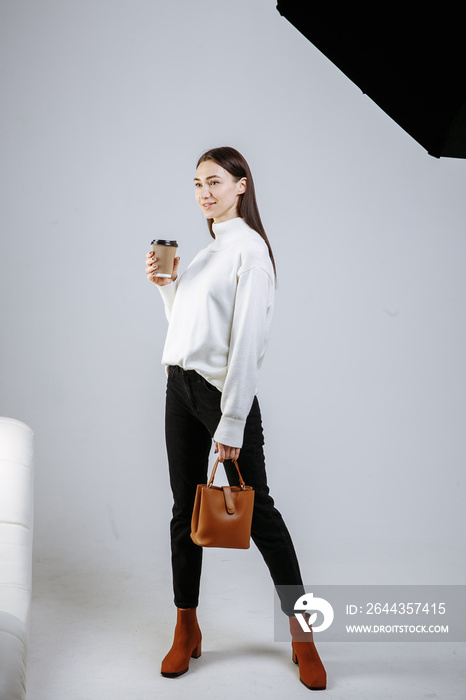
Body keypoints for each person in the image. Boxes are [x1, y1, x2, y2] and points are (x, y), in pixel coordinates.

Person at [145, 146, 326, 690]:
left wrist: (231, 422)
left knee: (261, 513)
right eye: (197, 183)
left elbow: (247, 346)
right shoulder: (206, 253)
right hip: (178, 387)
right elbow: (185, 334)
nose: (205, 192)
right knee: (185, 511)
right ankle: (187, 628)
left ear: (242, 185)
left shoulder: (250, 252)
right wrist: (166, 288)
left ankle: (303, 634)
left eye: (216, 182)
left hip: (222, 396)